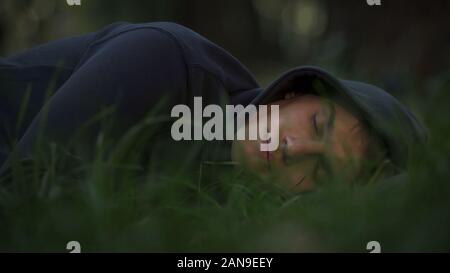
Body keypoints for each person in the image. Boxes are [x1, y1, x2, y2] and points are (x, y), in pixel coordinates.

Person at [0, 22, 427, 192]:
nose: (293, 150)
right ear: (293, 92)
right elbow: (24, 190)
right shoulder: (165, 59)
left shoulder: (238, 202)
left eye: (321, 171)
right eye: (316, 125)